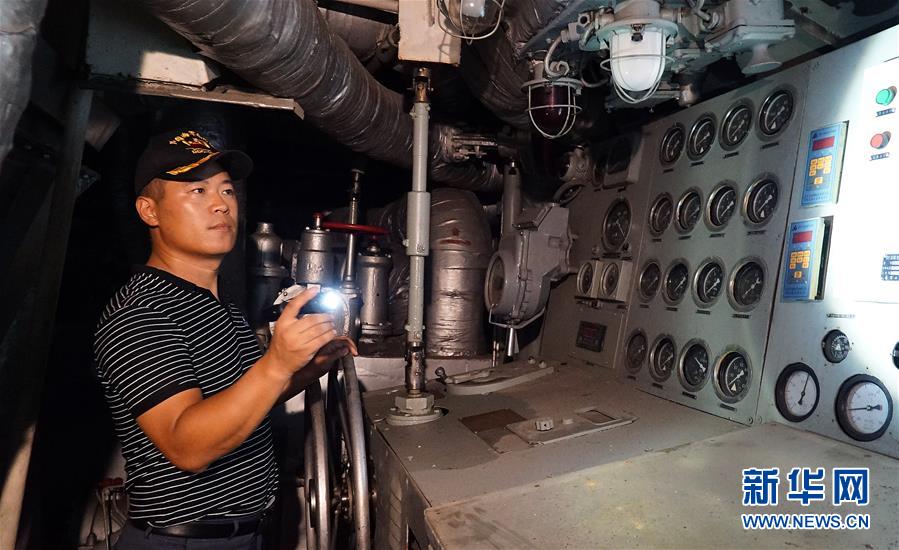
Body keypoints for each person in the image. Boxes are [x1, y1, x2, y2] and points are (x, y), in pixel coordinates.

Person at [93, 129, 356, 549]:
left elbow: (243, 398)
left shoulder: (217, 303)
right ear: (149, 211)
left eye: (227, 190)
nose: (221, 204)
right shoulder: (142, 312)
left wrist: (309, 367)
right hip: (184, 541)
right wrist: (276, 363)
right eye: (197, 190)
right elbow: (187, 446)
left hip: (243, 535)